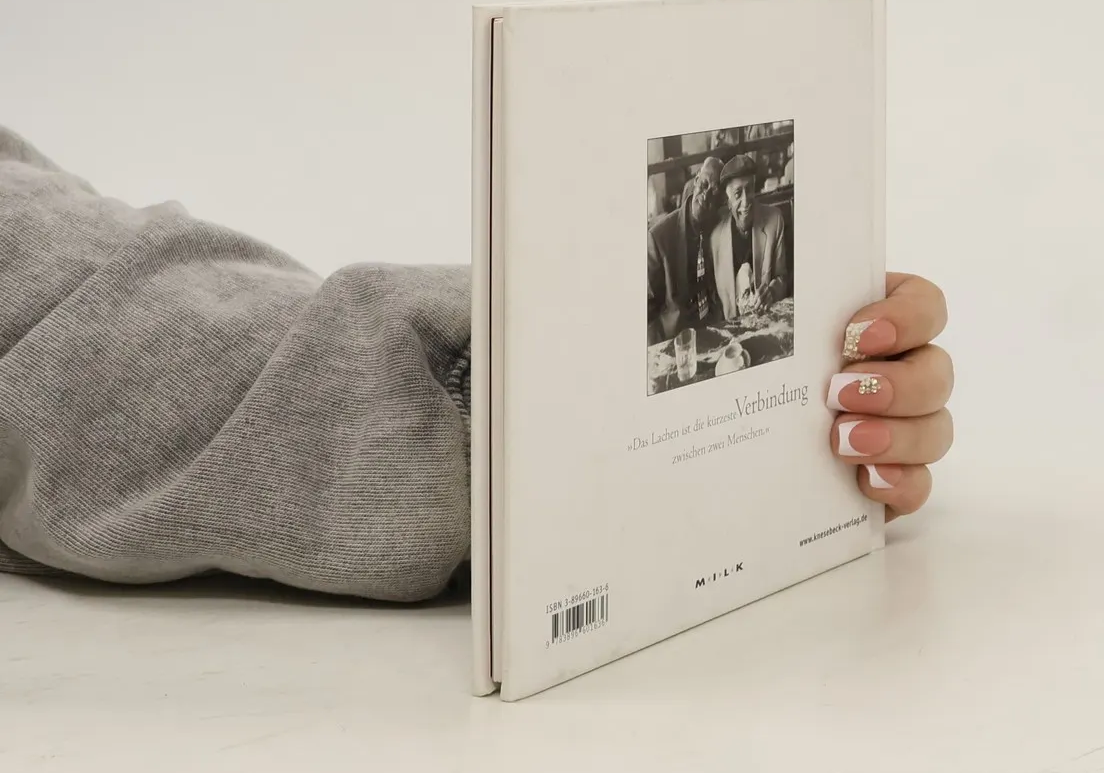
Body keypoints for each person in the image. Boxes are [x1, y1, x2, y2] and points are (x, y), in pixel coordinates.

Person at [0, 127, 953, 603]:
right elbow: (79, 328)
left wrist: (795, 369)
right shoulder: (671, 231)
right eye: (713, 192)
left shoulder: (756, 230)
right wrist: (514, 389)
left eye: (736, 196)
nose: (727, 206)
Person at [646, 154, 724, 341]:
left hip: (715, 328)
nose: (706, 196)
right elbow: (647, 311)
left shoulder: (719, 225)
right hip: (677, 338)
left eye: (714, 192)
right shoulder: (659, 238)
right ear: (695, 181)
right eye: (703, 185)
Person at [707, 152, 789, 319]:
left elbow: (783, 278)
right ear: (728, 200)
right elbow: (714, 301)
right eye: (738, 193)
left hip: (768, 321)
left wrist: (772, 291)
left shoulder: (774, 220)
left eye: (749, 190)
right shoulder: (715, 239)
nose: (746, 202)